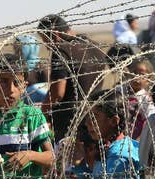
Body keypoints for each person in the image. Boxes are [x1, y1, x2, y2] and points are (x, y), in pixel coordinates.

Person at [37, 14, 106, 142]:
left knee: (68, 160)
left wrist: (42, 114)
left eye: (46, 41)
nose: (47, 47)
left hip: (69, 122)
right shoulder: (95, 47)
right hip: (94, 116)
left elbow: (57, 93)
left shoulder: (61, 51)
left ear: (55, 36)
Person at [14, 34, 49, 107]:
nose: (17, 52)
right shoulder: (16, 67)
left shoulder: (40, 68)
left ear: (29, 49)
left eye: (20, 49)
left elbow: (46, 90)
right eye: (16, 49)